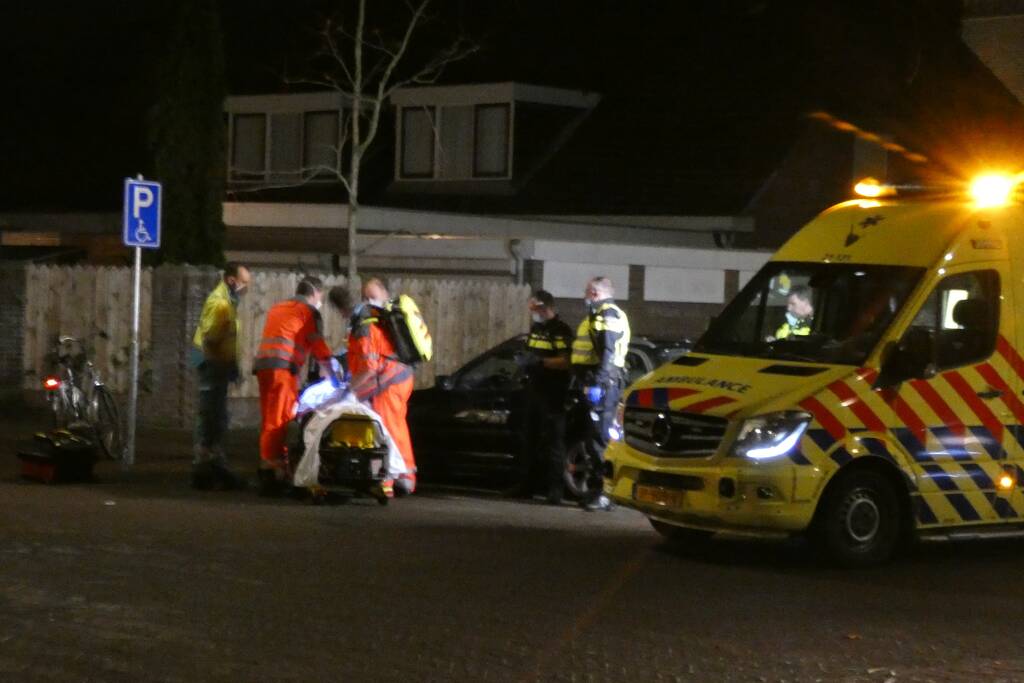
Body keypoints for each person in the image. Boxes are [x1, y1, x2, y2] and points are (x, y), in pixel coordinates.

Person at [253, 276, 336, 495]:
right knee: (280, 421)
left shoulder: (277, 307)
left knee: (270, 418)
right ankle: (272, 471)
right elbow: (318, 346)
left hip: (264, 367)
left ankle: (269, 465)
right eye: (321, 297)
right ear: (315, 293)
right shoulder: (308, 312)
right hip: (283, 370)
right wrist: (334, 377)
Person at [348, 277, 417, 497]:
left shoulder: (367, 323)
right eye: (365, 296)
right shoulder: (386, 319)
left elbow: (370, 366)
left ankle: (389, 479)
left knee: (386, 428)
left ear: (386, 294)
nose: (367, 300)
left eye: (372, 296)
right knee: (396, 425)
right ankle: (404, 475)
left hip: (387, 381)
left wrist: (350, 390)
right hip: (401, 376)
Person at [507, 289, 574, 504]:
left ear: (546, 307)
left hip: (553, 393)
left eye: (534, 308)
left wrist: (540, 362)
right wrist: (524, 360)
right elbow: (532, 352)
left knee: (554, 442)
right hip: (534, 390)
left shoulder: (561, 330)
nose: (532, 312)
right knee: (530, 440)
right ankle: (526, 485)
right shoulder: (536, 329)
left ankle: (555, 491)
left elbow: (566, 362)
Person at [571, 276, 631, 512]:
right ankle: (597, 490)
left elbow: (608, 352)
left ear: (595, 293)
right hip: (596, 383)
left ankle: (606, 494)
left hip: (603, 385)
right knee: (593, 439)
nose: (585, 294)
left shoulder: (608, 314)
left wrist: (598, 382)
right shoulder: (599, 314)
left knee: (600, 440)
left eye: (587, 291)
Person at [191, 263, 251, 490]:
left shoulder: (225, 301)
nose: (246, 288)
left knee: (214, 417)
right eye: (244, 282)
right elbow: (211, 339)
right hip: (212, 365)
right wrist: (223, 366)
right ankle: (207, 468)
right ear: (232, 280)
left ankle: (209, 466)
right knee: (212, 418)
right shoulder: (222, 304)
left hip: (213, 364)